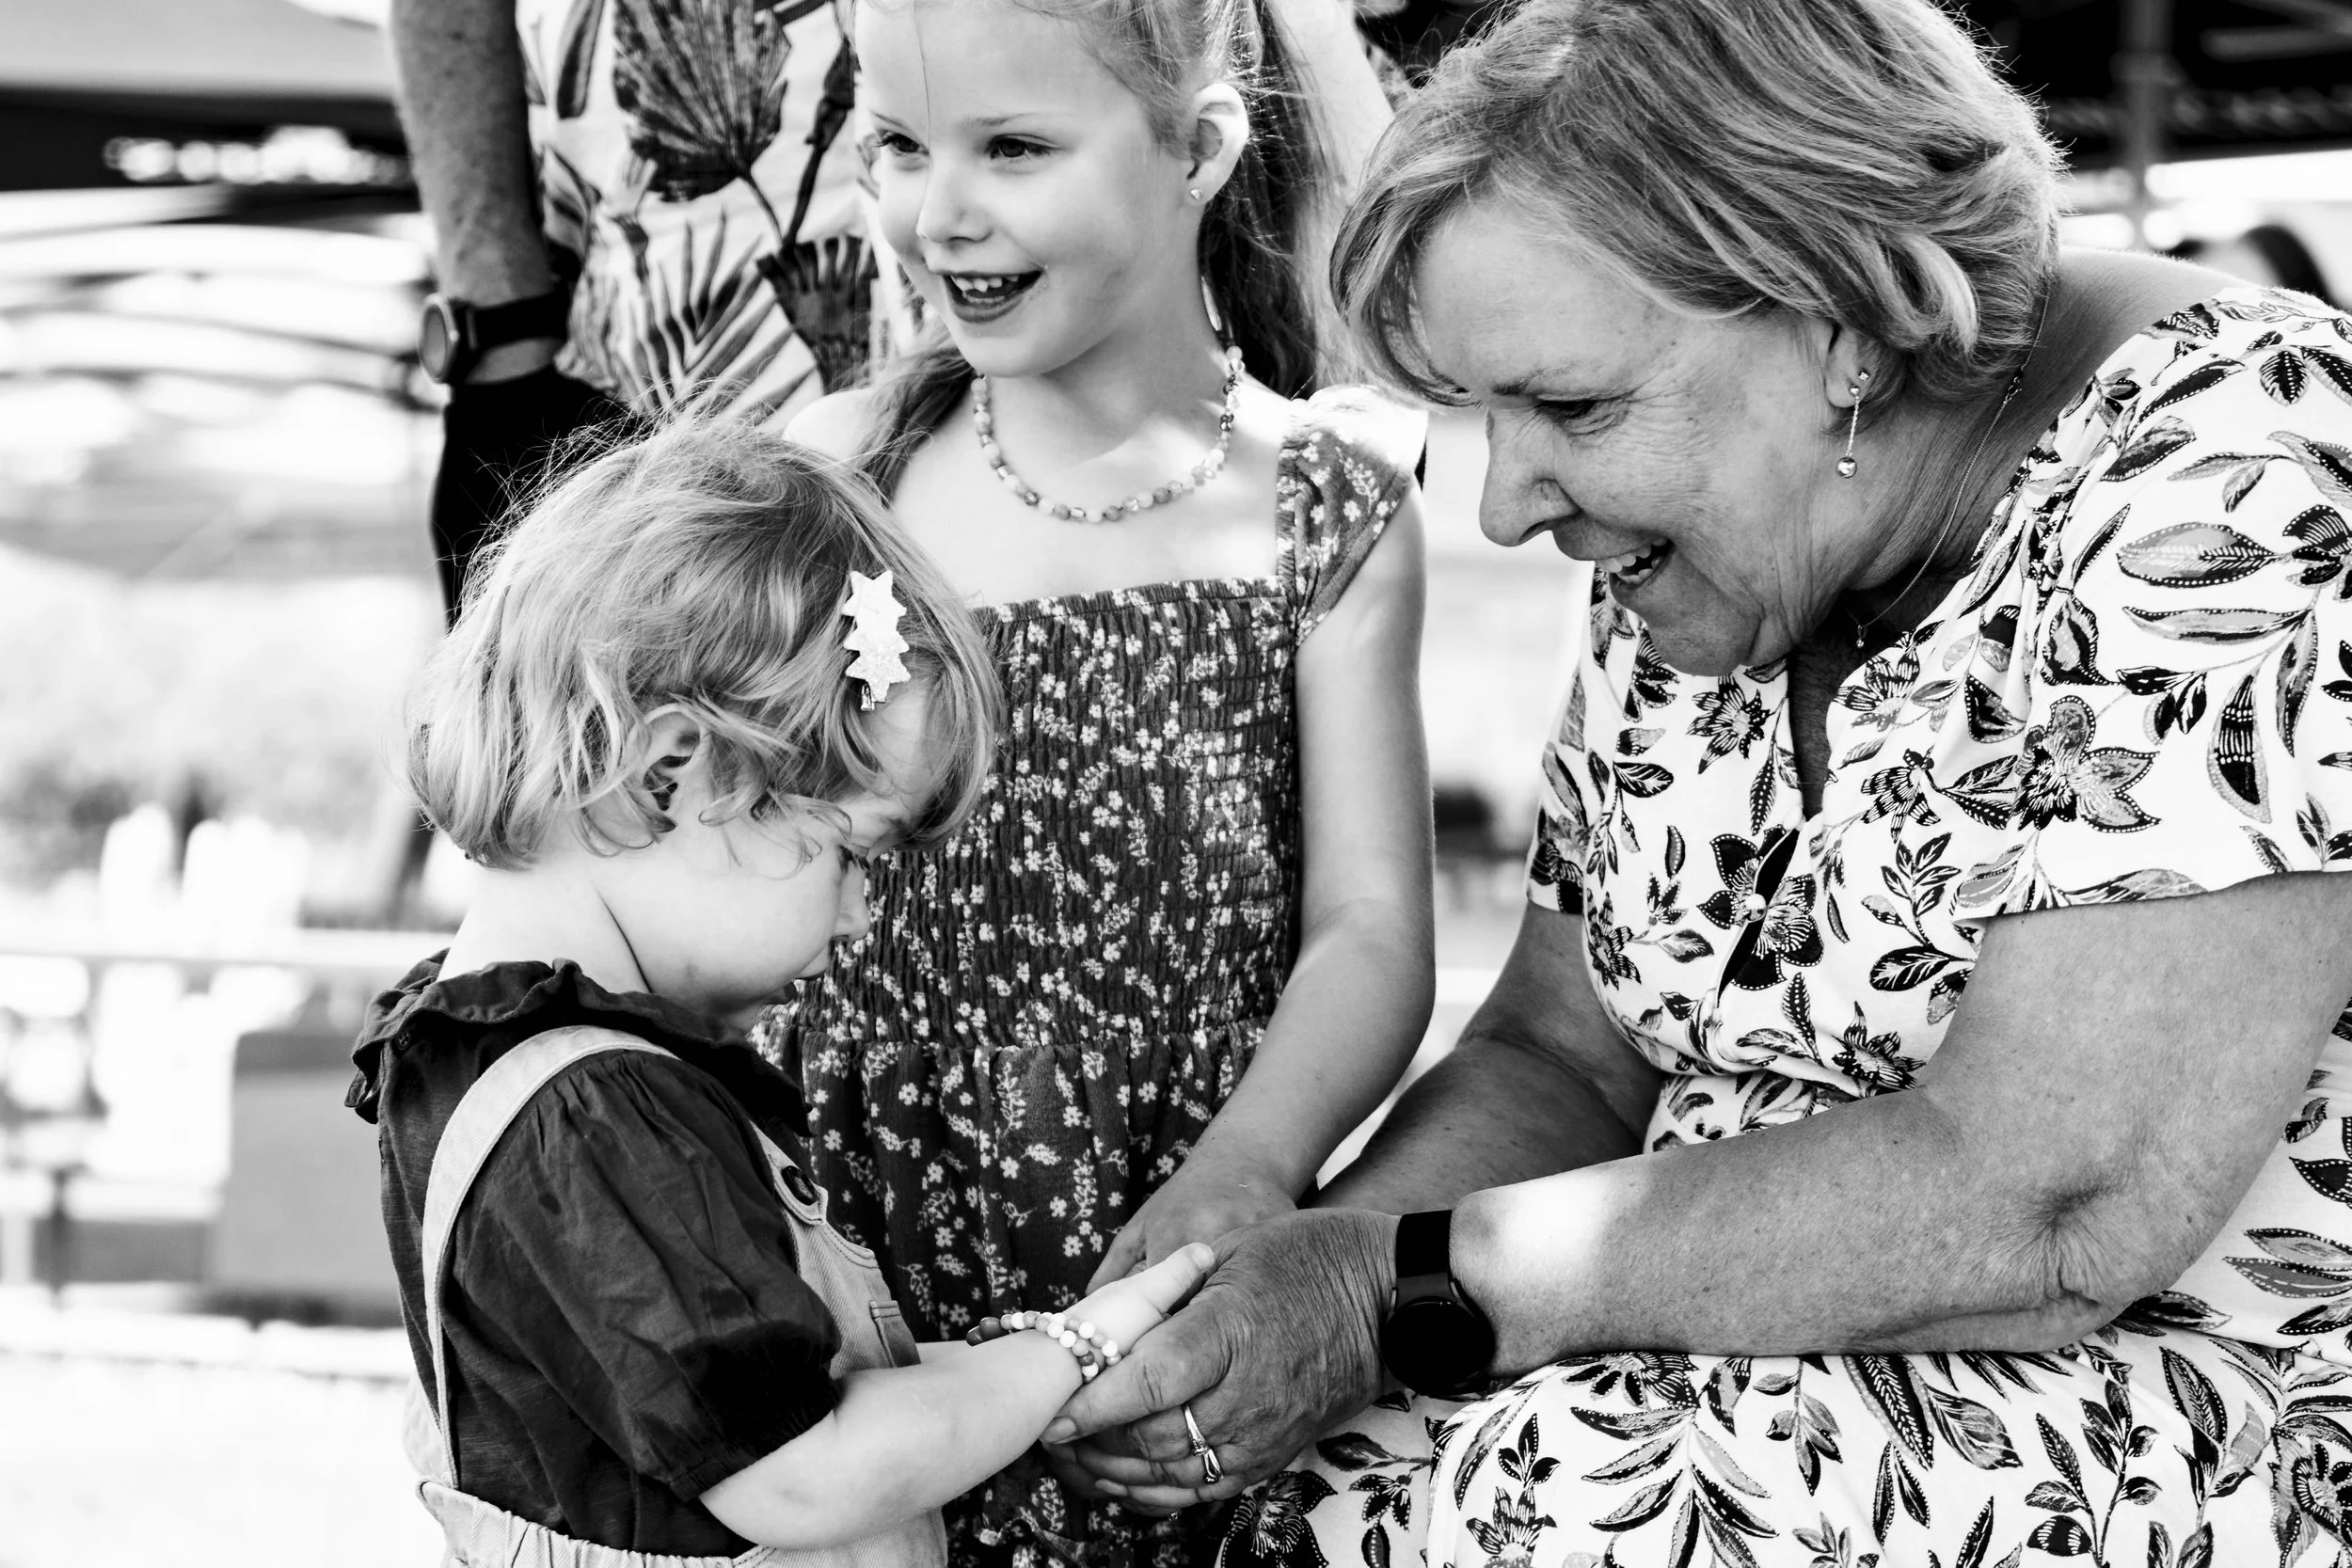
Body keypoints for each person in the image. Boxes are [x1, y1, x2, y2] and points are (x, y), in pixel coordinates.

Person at [1039, 2, 2352, 1564]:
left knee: (1572, 1492)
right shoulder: (1742, 523)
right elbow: (1561, 1054)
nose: (1507, 502)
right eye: (1484, 414)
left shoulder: (2238, 466)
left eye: (1570, 409)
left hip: (2198, 1407)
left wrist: (1390, 1294)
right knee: (1270, 1473)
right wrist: (1302, 1278)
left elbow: (2049, 1205)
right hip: (1722, 1357)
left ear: (1849, 318)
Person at [774, 0, 1437, 1562]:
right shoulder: (829, 481)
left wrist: (1245, 1170)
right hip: (849, 1282)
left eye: (1013, 147)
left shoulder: (1327, 514)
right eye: (899, 147)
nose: (941, 211)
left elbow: (1368, 928)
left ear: (1199, 148)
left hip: (1161, 1274)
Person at [346, 420, 1216, 1563]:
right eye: (856, 854)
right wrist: (1081, 1346)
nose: (862, 915)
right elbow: (807, 1470)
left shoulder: (488, 1057)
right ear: (678, 774)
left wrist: (1008, 1370)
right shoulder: (592, 1112)